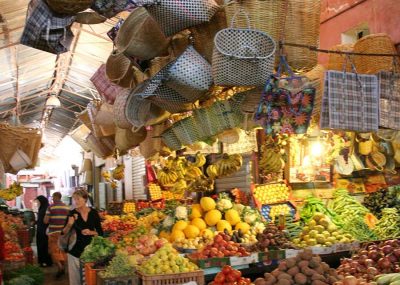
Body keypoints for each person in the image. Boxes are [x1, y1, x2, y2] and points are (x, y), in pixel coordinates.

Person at [62, 189, 103, 285]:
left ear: (85, 199)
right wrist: (69, 224)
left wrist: (91, 232)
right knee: (75, 281)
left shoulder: (93, 213)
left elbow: (100, 233)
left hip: (90, 253)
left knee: (90, 280)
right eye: (74, 199)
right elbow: (63, 233)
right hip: (74, 251)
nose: (75, 202)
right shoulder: (71, 213)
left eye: (78, 199)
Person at [44, 192, 70, 278]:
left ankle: (60, 267)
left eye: (53, 197)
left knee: (53, 250)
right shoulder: (66, 207)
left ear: (56, 197)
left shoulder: (50, 207)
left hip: (53, 232)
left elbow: (45, 221)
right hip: (64, 233)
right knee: (62, 250)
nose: (52, 198)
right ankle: (63, 267)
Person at [34, 195, 53, 267]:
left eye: (38, 201)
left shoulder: (47, 208)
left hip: (44, 230)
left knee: (44, 246)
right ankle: (43, 261)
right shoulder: (42, 207)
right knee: (41, 245)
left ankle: (46, 262)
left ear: (42, 201)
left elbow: (47, 220)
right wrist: (36, 222)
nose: (37, 203)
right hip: (41, 229)